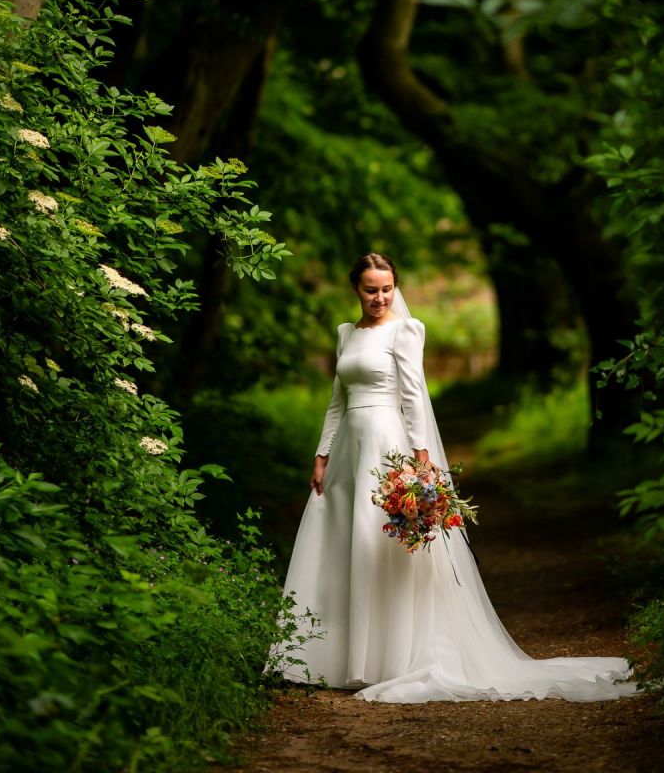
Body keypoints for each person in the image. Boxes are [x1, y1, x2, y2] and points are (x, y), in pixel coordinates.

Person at [268, 252, 639, 703]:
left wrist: (421, 458)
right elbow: (337, 402)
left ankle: (391, 657)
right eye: (371, 289)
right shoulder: (346, 334)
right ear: (356, 289)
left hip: (388, 445)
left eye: (386, 288)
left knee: (381, 546)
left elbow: (414, 396)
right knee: (346, 545)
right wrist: (322, 454)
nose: (380, 297)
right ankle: (340, 657)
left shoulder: (405, 331)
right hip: (348, 451)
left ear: (394, 287)